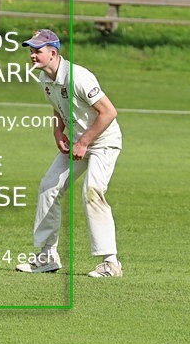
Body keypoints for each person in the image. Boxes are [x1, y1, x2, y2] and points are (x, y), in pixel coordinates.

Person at [16, 29, 124, 277]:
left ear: (53, 53)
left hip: (103, 142)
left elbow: (108, 112)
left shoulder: (78, 77)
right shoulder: (45, 78)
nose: (32, 55)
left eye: (37, 51)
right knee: (48, 187)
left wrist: (84, 142)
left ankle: (111, 263)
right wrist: (58, 132)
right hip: (78, 143)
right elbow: (58, 108)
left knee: (92, 192)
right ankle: (46, 256)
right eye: (31, 51)